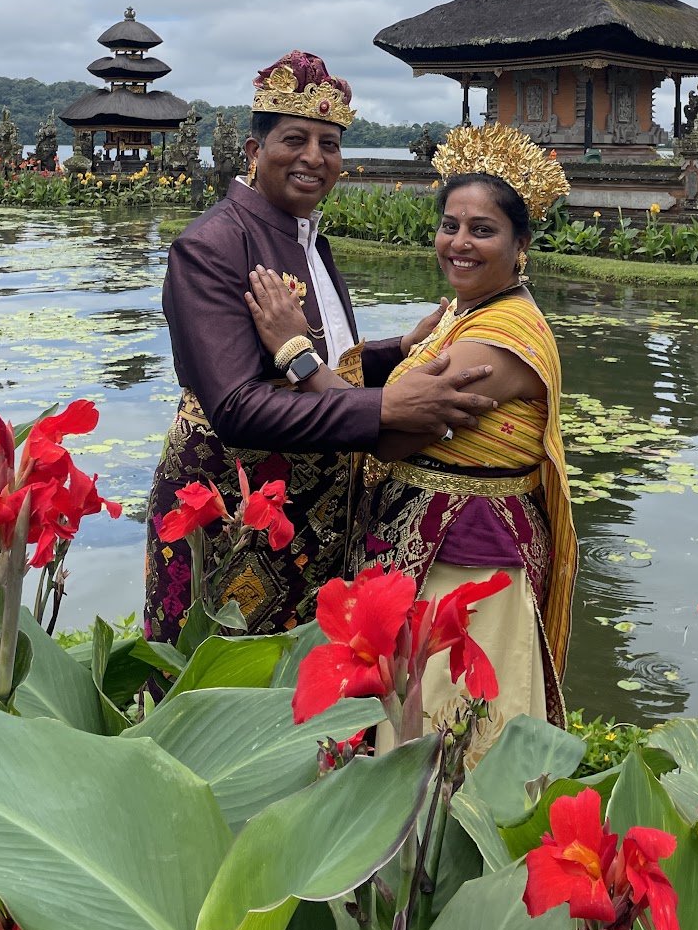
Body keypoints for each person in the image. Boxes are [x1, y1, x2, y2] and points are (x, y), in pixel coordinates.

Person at [246, 122, 577, 756]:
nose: (459, 243)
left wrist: (296, 352)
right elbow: (392, 410)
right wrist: (401, 349)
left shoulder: (501, 336)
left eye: (483, 230)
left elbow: (389, 434)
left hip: (467, 556)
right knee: (411, 716)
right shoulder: (462, 314)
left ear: (521, 244)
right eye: (450, 225)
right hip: (422, 540)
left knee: (452, 734)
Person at [145, 50, 497, 642]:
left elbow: (324, 361)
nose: (314, 157)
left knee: (303, 687)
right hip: (236, 511)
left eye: (329, 144)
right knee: (219, 689)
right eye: (295, 139)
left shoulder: (307, 238)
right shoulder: (211, 248)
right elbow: (236, 406)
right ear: (254, 151)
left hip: (313, 513)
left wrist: (396, 350)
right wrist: (384, 408)